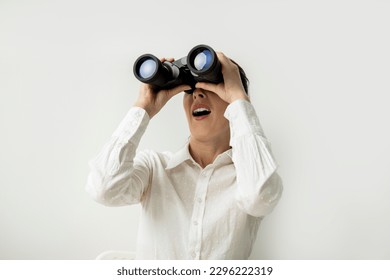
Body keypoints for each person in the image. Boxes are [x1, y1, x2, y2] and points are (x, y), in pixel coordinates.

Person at [86, 51, 283, 260]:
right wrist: (143, 108)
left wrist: (239, 100)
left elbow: (260, 198)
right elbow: (103, 189)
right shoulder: (155, 167)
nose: (197, 95)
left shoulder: (248, 176)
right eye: (190, 90)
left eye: (211, 86)